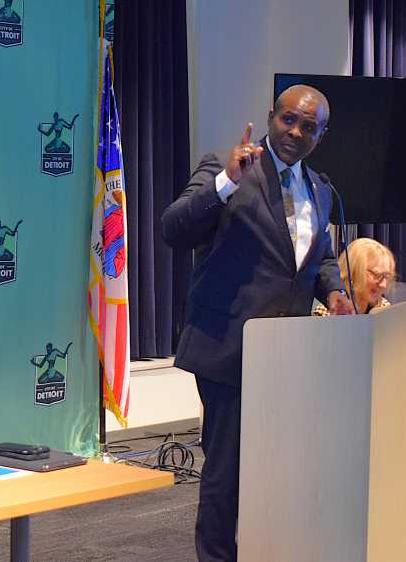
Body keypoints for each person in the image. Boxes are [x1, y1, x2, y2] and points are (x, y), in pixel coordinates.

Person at [161, 84, 353, 562]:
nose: (295, 132)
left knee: (278, 474)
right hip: (230, 351)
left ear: (321, 135)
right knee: (227, 476)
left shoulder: (321, 189)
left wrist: (332, 287)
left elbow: (314, 258)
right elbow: (174, 229)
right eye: (289, 119)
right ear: (271, 116)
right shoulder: (227, 168)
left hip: (291, 357)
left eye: (309, 127)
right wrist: (225, 181)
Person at [313, 238, 396, 315]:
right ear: (353, 274)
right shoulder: (325, 314)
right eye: (378, 275)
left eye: (386, 276)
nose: (383, 284)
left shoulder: (384, 309)